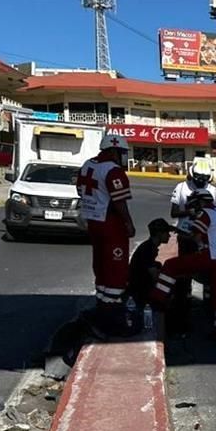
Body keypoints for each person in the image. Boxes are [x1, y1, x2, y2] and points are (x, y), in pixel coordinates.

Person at [151, 190, 216, 341]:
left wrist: (181, 233)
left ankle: (158, 299)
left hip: (208, 255)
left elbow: (196, 237)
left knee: (170, 266)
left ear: (200, 202)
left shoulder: (204, 214)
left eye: (194, 203)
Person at [76, 134, 136, 331]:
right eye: (121, 153)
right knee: (116, 268)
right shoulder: (113, 171)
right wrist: (128, 223)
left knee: (100, 264)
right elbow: (119, 201)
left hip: (93, 221)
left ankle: (102, 304)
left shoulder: (87, 165)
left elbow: (80, 190)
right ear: (113, 151)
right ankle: (112, 311)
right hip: (111, 223)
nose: (123, 157)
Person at [169, 159, 216, 333]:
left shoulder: (213, 191)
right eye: (198, 177)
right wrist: (189, 212)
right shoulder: (182, 188)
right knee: (184, 275)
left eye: (204, 178)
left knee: (208, 275)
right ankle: (183, 307)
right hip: (186, 236)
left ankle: (208, 306)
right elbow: (174, 212)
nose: (201, 181)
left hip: (206, 238)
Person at [127, 218, 175, 309]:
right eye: (166, 233)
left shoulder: (149, 246)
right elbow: (154, 275)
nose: (169, 236)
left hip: (138, 285)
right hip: (139, 289)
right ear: (159, 234)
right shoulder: (148, 249)